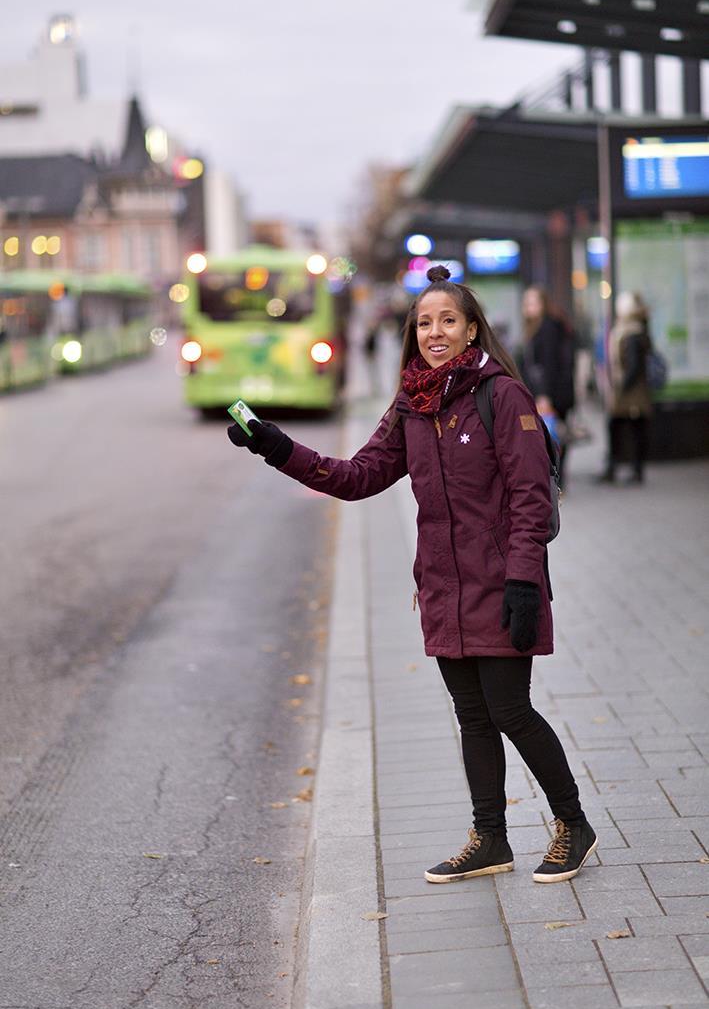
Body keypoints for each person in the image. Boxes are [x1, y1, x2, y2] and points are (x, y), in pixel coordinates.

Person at [227, 265, 597, 885]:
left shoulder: (501, 395)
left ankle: (572, 822)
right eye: (424, 323)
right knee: (472, 716)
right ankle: (490, 839)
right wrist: (275, 445)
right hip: (444, 587)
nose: (435, 332)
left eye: (448, 321)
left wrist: (525, 581)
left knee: (511, 709)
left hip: (505, 582)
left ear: (472, 329)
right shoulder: (412, 406)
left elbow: (532, 496)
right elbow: (356, 476)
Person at [518, 286, 575, 487]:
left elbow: (550, 363)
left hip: (551, 393)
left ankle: (557, 479)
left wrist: (545, 395)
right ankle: (555, 478)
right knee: (552, 434)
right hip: (546, 391)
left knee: (553, 434)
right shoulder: (535, 327)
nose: (528, 307)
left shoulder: (547, 327)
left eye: (533, 302)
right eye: (526, 303)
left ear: (543, 304)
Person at [597, 290, 653, 484]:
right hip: (630, 390)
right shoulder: (635, 329)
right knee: (630, 428)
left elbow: (634, 364)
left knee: (620, 426)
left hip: (630, 391)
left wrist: (621, 387)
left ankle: (621, 468)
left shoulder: (632, 332)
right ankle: (627, 469)